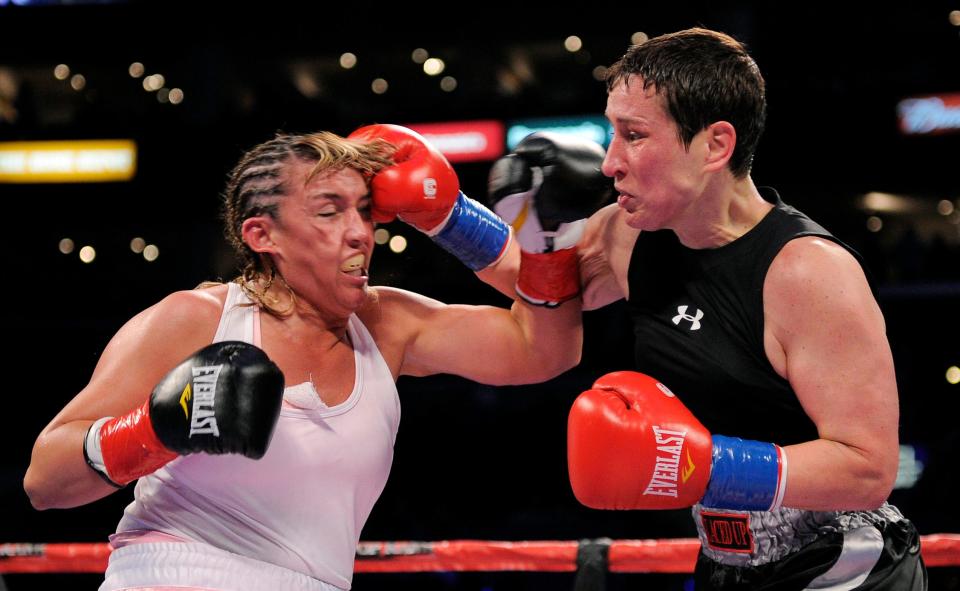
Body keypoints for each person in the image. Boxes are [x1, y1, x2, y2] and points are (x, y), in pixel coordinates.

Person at [22, 125, 599, 591]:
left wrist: (517, 236)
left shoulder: (387, 324)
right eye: (329, 211)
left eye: (365, 212)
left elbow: (543, 350)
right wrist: (157, 428)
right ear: (261, 235)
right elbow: (45, 479)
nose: (359, 233)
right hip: (172, 574)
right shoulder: (198, 319)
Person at [482, 28, 927, 590]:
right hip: (727, 563)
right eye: (612, 133)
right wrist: (442, 213)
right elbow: (538, 287)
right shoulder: (630, 235)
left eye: (634, 135)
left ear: (715, 145)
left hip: (845, 564)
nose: (609, 162)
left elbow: (868, 469)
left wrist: (698, 463)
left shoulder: (808, 272)